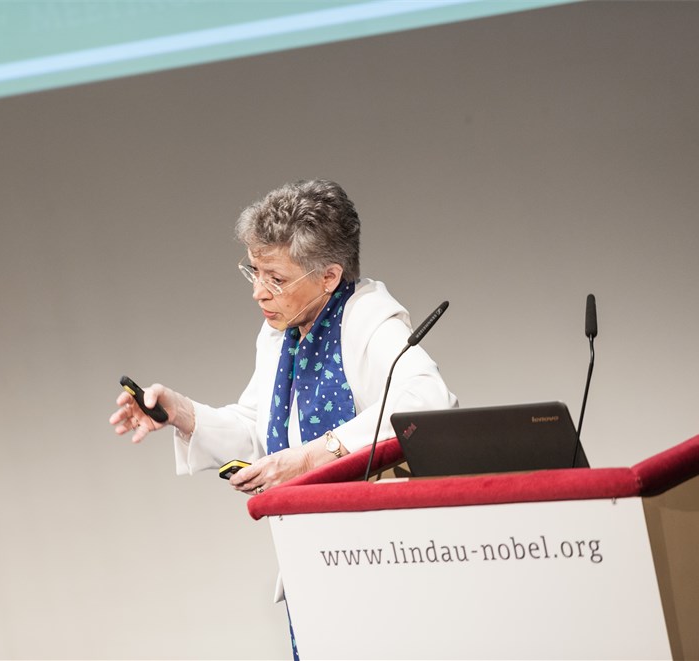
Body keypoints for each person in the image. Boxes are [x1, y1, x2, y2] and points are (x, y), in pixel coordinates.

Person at [110, 179, 457, 494]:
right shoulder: (281, 332)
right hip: (308, 527)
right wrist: (182, 412)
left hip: (383, 525)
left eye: (276, 279)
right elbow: (259, 432)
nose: (258, 293)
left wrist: (311, 458)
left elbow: (428, 399)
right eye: (255, 272)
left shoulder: (366, 316)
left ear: (329, 277)